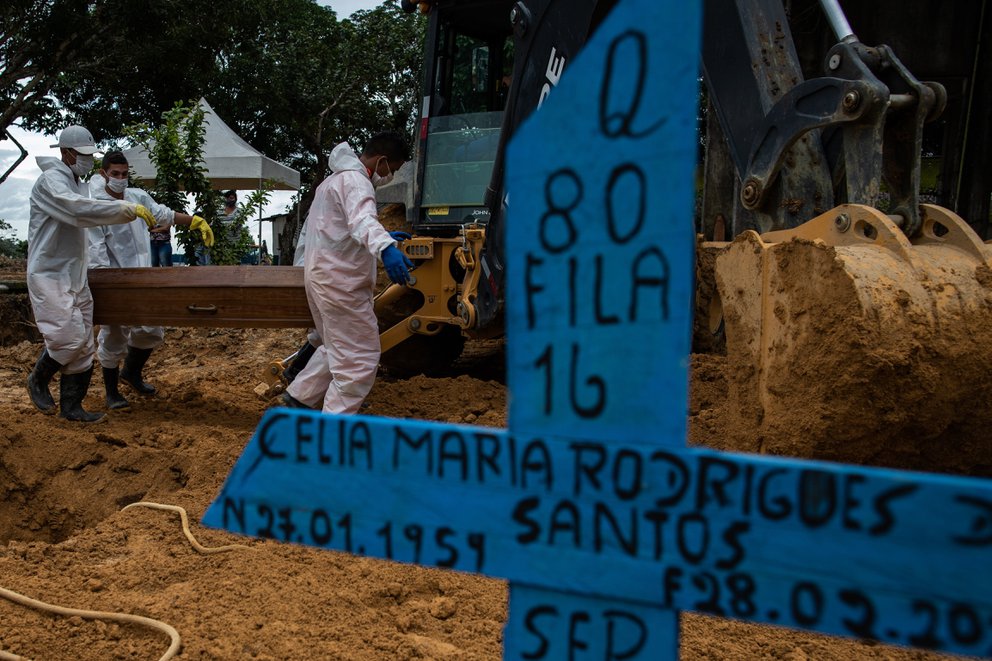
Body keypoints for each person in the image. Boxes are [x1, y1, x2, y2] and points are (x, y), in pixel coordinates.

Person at [25, 125, 159, 423]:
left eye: (90, 154)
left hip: (75, 273)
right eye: (81, 154)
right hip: (49, 272)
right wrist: (124, 210)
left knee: (84, 343)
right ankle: (37, 378)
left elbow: (85, 204)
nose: (86, 159)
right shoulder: (52, 182)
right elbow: (77, 211)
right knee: (67, 337)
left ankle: (72, 408)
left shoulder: (77, 183)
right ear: (65, 152)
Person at [281, 132, 412, 413]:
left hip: (321, 277)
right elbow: (363, 219)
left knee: (337, 345)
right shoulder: (357, 182)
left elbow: (335, 229)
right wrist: (386, 247)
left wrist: (383, 235)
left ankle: (300, 397)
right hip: (342, 283)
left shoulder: (332, 182)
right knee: (359, 357)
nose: (391, 175)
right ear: (383, 161)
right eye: (395, 169)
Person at [88, 150, 215, 410]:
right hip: (115, 281)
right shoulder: (97, 207)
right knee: (114, 335)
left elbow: (163, 215)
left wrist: (195, 221)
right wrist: (103, 284)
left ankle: (131, 373)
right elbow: (95, 251)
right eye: (115, 174)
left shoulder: (138, 197)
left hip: (143, 278)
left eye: (124, 174)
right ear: (104, 174)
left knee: (150, 330)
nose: (120, 179)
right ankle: (111, 393)